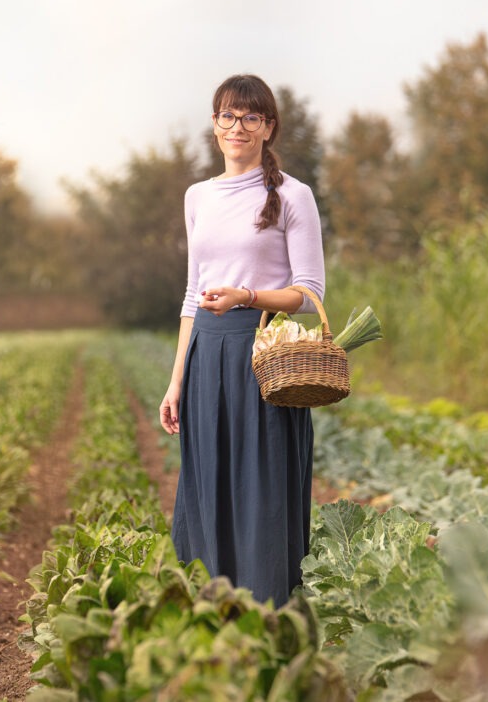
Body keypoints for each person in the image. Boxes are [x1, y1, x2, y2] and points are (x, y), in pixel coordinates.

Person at [159, 74, 325, 607]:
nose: (238, 126)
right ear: (214, 125)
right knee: (208, 488)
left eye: (251, 117)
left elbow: (308, 292)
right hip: (207, 355)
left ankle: (270, 616)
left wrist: (247, 296)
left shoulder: (293, 195)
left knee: (262, 494)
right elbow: (191, 294)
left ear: (268, 127)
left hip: (263, 360)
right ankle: (213, 617)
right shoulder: (197, 196)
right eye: (228, 116)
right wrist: (175, 381)